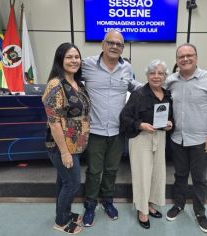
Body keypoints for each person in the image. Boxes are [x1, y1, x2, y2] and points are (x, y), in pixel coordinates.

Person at [81, 30, 142, 227]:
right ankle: (90, 204)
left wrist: (159, 86)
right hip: (95, 131)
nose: (115, 46)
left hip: (117, 131)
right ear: (102, 44)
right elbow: (69, 80)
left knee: (111, 170)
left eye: (119, 44)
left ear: (123, 48)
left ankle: (107, 201)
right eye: (111, 42)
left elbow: (136, 88)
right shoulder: (87, 65)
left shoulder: (127, 68)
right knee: (94, 171)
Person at [165, 43, 207, 233]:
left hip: (200, 140)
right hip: (177, 138)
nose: (185, 59)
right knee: (180, 175)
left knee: (199, 179)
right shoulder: (171, 80)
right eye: (181, 56)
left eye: (189, 55)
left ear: (196, 57)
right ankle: (179, 205)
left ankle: (200, 212)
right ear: (177, 60)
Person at [42, 42, 90, 234]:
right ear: (60, 60)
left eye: (76, 57)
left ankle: (65, 213)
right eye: (69, 57)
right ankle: (61, 222)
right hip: (61, 145)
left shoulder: (77, 83)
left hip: (75, 144)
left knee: (63, 182)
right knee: (72, 184)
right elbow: (54, 123)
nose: (74, 60)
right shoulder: (55, 85)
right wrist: (64, 152)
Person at [120, 59, 173, 229]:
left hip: (160, 137)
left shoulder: (167, 94)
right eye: (152, 73)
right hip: (141, 138)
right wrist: (140, 125)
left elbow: (170, 117)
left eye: (160, 73)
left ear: (165, 76)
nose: (156, 76)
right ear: (147, 75)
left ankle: (150, 204)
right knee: (142, 175)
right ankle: (142, 210)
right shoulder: (138, 94)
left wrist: (170, 123)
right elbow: (124, 117)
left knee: (156, 174)